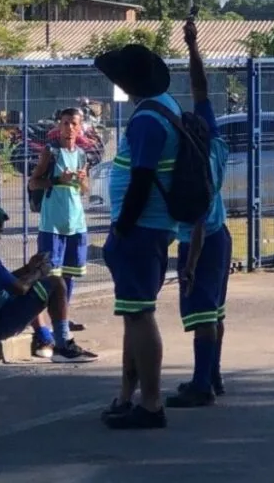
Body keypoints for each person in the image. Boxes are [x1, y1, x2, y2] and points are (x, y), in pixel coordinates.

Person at [94, 44, 182, 430]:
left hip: (142, 228)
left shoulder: (148, 119)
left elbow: (143, 178)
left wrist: (123, 225)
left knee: (140, 312)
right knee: (133, 312)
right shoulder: (164, 105)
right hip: (150, 227)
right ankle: (129, 395)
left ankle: (150, 403)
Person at [167, 20, 232, 408]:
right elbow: (201, 89)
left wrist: (187, 265)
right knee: (216, 310)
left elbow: (194, 218)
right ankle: (213, 374)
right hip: (221, 235)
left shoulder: (193, 165)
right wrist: (193, 46)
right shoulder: (217, 144)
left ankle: (200, 384)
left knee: (201, 312)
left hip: (201, 240)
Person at [0, 205, 97, 362]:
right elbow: (19, 288)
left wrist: (28, 268)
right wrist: (39, 272)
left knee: (39, 286)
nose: (0, 237)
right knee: (55, 283)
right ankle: (62, 346)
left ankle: (45, 337)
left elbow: (6, 280)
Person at [29, 107, 90, 334]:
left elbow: (84, 189)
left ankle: (63, 318)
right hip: (52, 224)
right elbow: (33, 183)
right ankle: (44, 327)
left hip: (75, 222)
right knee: (49, 277)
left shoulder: (82, 155)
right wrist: (56, 180)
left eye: (74, 123)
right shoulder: (51, 152)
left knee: (70, 274)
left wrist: (82, 180)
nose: (70, 128)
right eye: (65, 123)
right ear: (58, 126)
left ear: (81, 126)